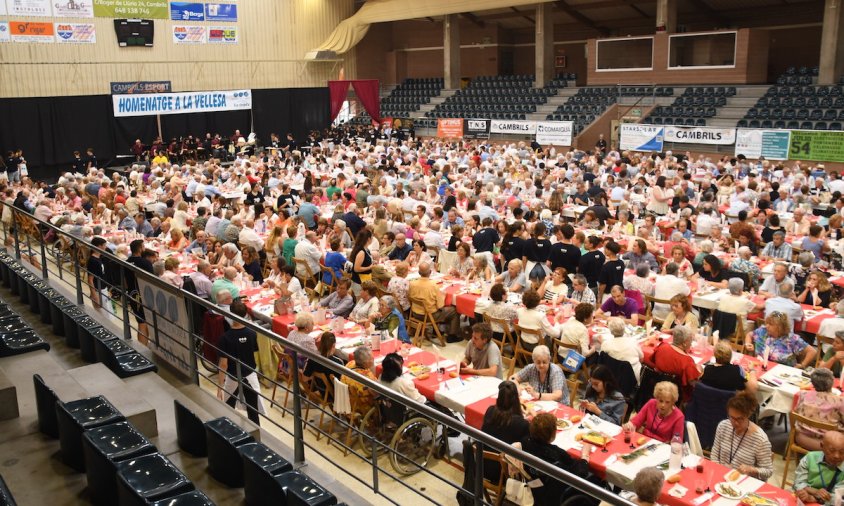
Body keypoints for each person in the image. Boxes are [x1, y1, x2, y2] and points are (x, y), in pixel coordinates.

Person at [519, 413, 591, 506]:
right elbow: (579, 472)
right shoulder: (556, 453)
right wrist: (585, 456)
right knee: (594, 478)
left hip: (534, 487)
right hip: (555, 494)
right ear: (553, 433)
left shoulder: (524, 442)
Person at [216, 300, 263, 425]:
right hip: (250, 374)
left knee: (227, 409)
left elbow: (223, 364)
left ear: (230, 313)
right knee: (253, 412)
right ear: (245, 314)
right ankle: (256, 439)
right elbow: (254, 354)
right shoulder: (252, 333)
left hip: (233, 376)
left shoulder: (225, 338)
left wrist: (219, 387)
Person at [710, 392, 774, 481]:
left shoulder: (760, 439)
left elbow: (768, 471)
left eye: (739, 419)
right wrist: (718, 471)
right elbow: (715, 454)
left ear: (748, 415)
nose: (735, 422)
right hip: (721, 476)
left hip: (744, 482)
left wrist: (752, 469)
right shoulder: (723, 426)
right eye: (732, 417)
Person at [480, 381, 529, 481]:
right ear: (517, 400)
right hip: (505, 474)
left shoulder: (490, 411)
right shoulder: (522, 424)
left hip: (482, 466)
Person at [794, 368, 844, 451]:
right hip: (830, 444)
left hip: (802, 439)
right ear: (832, 382)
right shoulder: (840, 402)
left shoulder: (802, 395)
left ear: (813, 383)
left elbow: (795, 413)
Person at [745, 311, 817, 369]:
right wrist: (748, 343)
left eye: (771, 324)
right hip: (759, 367)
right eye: (767, 323)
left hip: (782, 372)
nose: (767, 326)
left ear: (780, 327)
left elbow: (812, 351)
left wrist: (802, 365)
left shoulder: (791, 338)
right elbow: (749, 334)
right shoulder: (762, 331)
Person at [408, 262, 460, 340]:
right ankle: (452, 335)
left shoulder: (412, 283)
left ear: (419, 272)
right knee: (454, 310)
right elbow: (440, 306)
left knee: (434, 306)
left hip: (415, 313)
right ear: (430, 272)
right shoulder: (433, 285)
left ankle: (437, 330)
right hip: (429, 316)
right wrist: (443, 296)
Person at [646, 325, 700, 396]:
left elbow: (652, 362)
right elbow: (693, 383)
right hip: (675, 394)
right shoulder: (687, 361)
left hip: (655, 386)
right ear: (685, 342)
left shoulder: (662, 347)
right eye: (691, 340)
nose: (691, 343)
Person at [793, 430, 844, 505]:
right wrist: (815, 492)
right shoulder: (810, 458)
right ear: (822, 446)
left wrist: (813, 498)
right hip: (805, 500)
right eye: (832, 450)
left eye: (842, 452)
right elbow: (798, 483)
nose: (837, 456)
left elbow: (839, 499)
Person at [342, 346, 378, 417]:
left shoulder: (350, 363)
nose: (373, 359)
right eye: (371, 358)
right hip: (361, 407)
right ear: (365, 363)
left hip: (347, 400)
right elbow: (376, 393)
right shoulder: (366, 378)